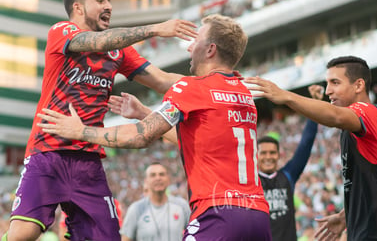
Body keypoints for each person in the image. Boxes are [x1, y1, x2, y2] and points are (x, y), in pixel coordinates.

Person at [37, 13, 272, 240]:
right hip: (258, 215)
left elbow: (141, 137)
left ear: (210, 50)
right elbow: (196, 141)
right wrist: (144, 113)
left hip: (218, 213)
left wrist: (80, 131)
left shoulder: (193, 88)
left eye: (196, 41)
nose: (190, 47)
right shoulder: (242, 92)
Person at [2, 0, 197, 241]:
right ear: (78, 8)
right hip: (48, 150)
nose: (109, 6)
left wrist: (214, 81)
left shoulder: (120, 53)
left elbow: (163, 80)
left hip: (89, 160)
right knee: (21, 235)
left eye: (109, 0)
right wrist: (154, 28)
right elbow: (98, 42)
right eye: (101, 0)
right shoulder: (62, 31)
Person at [244, 56, 377, 240]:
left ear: (358, 85)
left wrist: (286, 96)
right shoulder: (358, 127)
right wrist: (346, 215)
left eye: (335, 82)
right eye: (327, 83)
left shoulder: (368, 113)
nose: (329, 90)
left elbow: (335, 117)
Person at [258, 85, 321, 241]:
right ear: (256, 156)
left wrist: (314, 103)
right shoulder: (250, 182)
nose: (268, 157)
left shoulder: (288, 175)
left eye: (272, 153)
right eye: (263, 153)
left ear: (279, 155)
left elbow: (305, 144)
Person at [120, 162, 190, 241]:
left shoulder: (182, 205)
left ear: (168, 179)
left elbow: (194, 233)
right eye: (153, 175)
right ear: (146, 181)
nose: (158, 178)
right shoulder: (136, 209)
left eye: (162, 174)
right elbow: (125, 239)